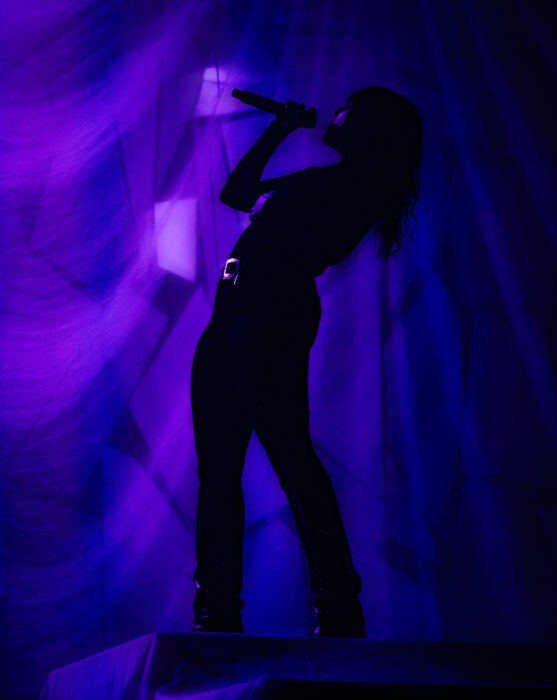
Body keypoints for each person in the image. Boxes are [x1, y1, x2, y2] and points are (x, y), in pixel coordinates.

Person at [190, 86, 423, 636]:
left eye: (347, 108)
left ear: (366, 126)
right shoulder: (322, 180)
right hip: (232, 313)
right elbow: (236, 193)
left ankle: (337, 605)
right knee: (219, 469)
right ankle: (216, 610)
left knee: (289, 456)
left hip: (269, 315)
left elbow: (295, 233)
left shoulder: (352, 188)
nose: (334, 112)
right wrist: (279, 129)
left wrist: (273, 208)